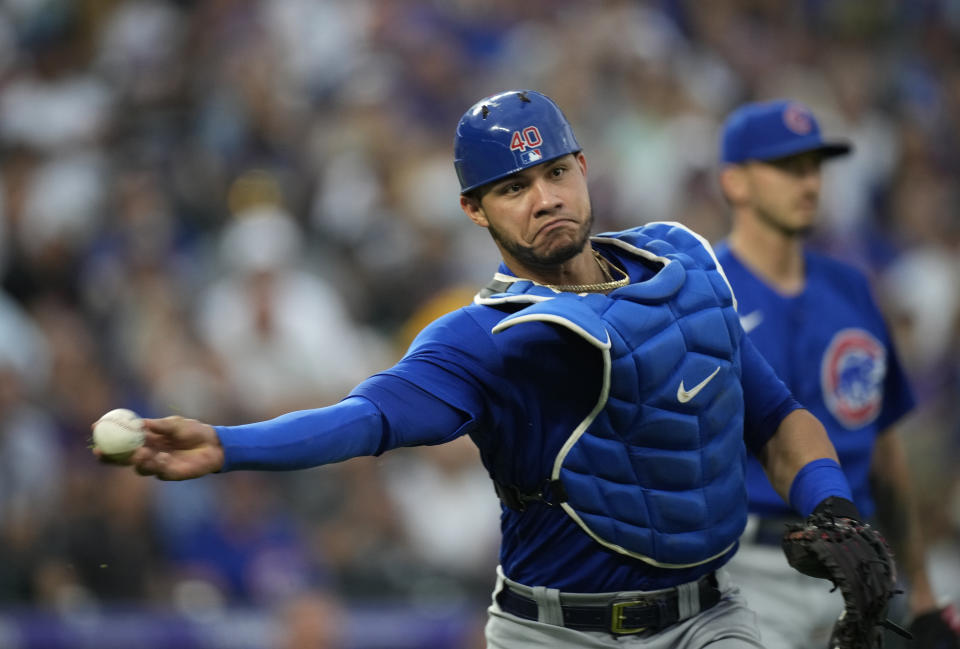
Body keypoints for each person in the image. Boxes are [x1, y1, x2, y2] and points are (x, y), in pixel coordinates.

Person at [98, 90, 887, 648]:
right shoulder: (489, 338)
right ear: (475, 210)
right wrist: (229, 444)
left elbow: (778, 417)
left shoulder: (683, 268)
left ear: (582, 167)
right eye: (512, 188)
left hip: (709, 620)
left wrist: (833, 504)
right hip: (556, 634)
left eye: (553, 173)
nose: (543, 198)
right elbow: (364, 420)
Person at [715, 99, 960, 649]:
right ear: (735, 182)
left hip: (862, 569)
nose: (808, 182)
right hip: (742, 569)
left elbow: (884, 451)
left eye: (814, 166)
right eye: (786, 167)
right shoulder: (702, 292)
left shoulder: (851, 289)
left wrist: (921, 593)